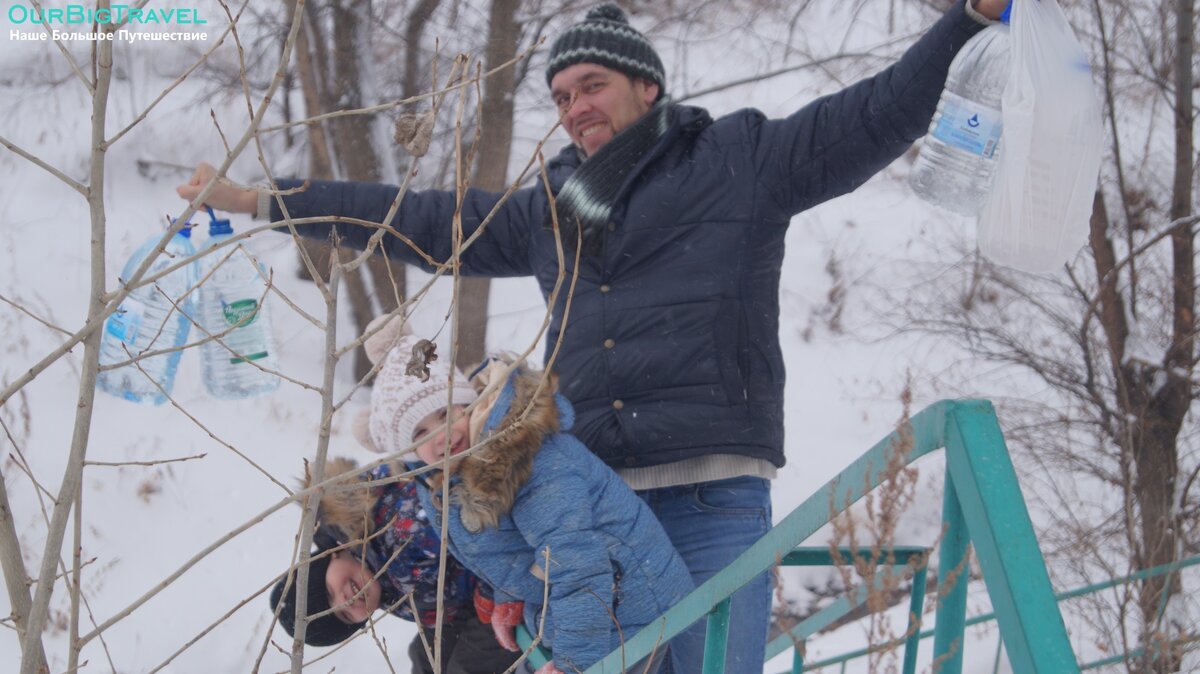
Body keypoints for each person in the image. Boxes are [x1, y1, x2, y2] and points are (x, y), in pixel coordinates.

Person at [184, 2, 1012, 672]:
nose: (575, 107)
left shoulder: (740, 160)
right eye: (561, 96)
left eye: (592, 84)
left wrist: (966, 23)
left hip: (711, 492)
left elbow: (872, 115)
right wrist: (263, 201)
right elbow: (422, 221)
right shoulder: (554, 209)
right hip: (583, 495)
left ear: (645, 87)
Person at [268, 424, 522, 672]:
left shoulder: (393, 528)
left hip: (504, 569)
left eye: (328, 591)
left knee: (464, 667)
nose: (344, 601)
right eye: (345, 616)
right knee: (426, 660)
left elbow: (482, 525)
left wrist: (491, 593)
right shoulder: (385, 588)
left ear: (331, 556)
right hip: (472, 604)